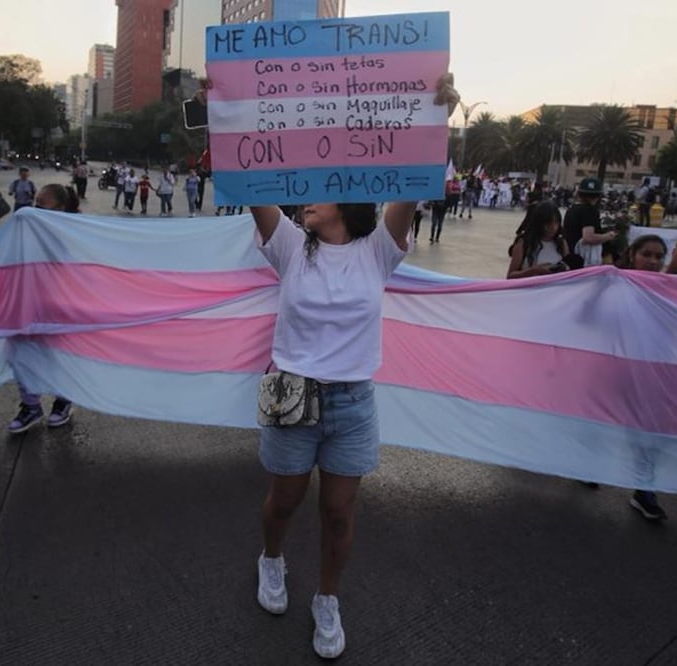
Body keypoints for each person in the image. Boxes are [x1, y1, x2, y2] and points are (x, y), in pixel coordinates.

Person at [240, 72, 458, 661]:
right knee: (283, 501)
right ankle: (271, 560)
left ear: (348, 199)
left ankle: (327, 599)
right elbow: (250, 177)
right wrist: (226, 108)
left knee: (339, 514)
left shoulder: (379, 249)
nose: (305, 198)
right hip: (292, 396)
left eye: (318, 191)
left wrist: (435, 117)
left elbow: (413, 182)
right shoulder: (288, 245)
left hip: (351, 402)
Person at [6, 183, 80, 433]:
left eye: (41, 206)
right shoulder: (25, 232)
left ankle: (63, 401)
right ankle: (30, 405)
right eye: (34, 205)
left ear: (60, 209)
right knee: (20, 354)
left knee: (59, 357)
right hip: (28, 304)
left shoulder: (73, 235)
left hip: (60, 307)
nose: (34, 211)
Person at [617, 234, 671, 520]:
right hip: (613, 367)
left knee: (647, 430)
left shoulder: (671, 289)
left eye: (658, 256)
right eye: (646, 254)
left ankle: (644, 489)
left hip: (651, 369)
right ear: (632, 254)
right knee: (598, 423)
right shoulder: (614, 283)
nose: (652, 261)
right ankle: (586, 468)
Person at [506, 201, 569, 279]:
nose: (553, 227)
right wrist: (533, 271)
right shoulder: (524, 242)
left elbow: (568, 271)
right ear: (539, 223)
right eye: (548, 223)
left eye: (556, 222)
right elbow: (510, 275)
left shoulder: (561, 243)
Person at [563, 177, 616, 267]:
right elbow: (588, 237)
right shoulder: (590, 211)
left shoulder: (571, 209)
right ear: (599, 196)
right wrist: (609, 236)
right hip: (584, 261)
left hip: (571, 258)